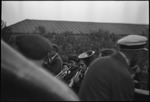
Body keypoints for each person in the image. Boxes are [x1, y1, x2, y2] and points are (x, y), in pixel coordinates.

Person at [1, 39, 80, 101]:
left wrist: (46, 65)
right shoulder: (52, 59)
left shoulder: (58, 60)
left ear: (55, 51)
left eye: (51, 50)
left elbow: (53, 72)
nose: (49, 52)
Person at [78, 35, 148, 101]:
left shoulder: (98, 61)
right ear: (136, 53)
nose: (140, 58)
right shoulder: (124, 75)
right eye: (141, 54)